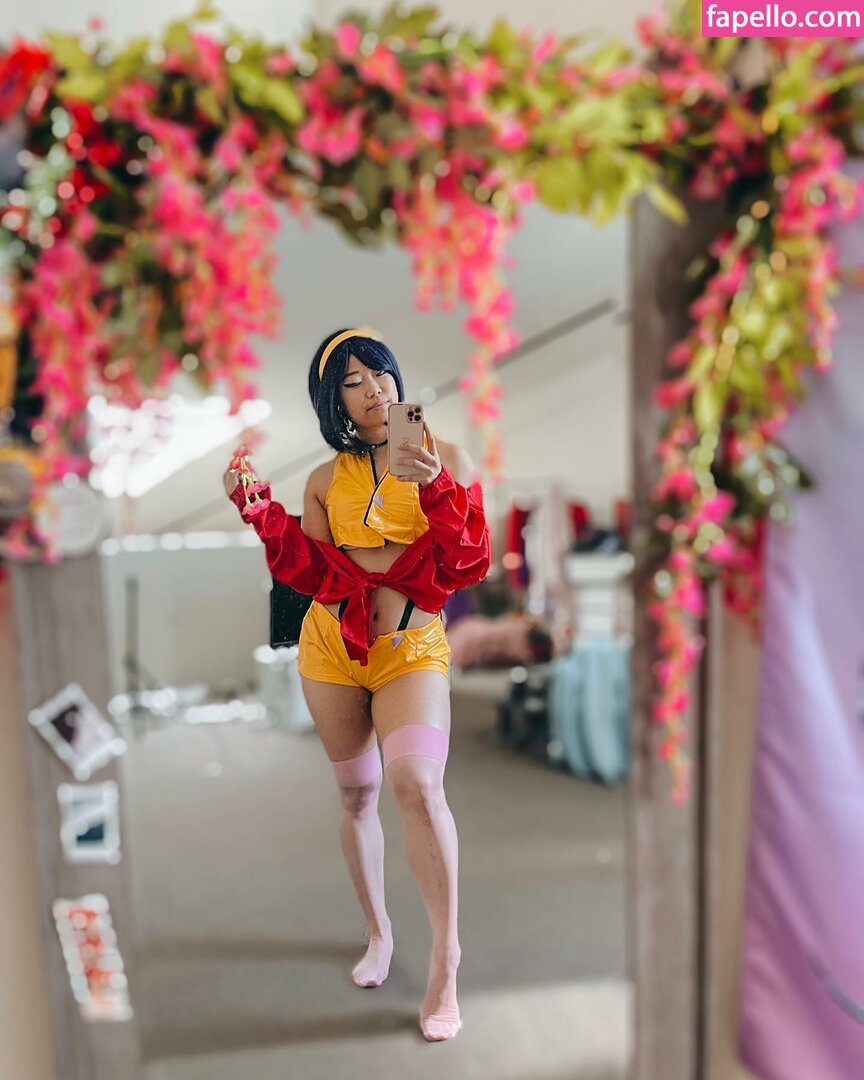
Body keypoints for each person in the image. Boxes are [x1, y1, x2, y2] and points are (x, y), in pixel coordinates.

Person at [223, 327, 491, 1042]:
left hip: (410, 649)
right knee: (357, 796)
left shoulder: (449, 455)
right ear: (332, 399)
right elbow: (312, 573)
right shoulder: (322, 481)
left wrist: (435, 485)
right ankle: (378, 931)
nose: (373, 390)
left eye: (379, 374)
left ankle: (446, 958)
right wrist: (257, 509)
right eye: (352, 382)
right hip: (332, 651)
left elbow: (468, 564)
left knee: (419, 786)